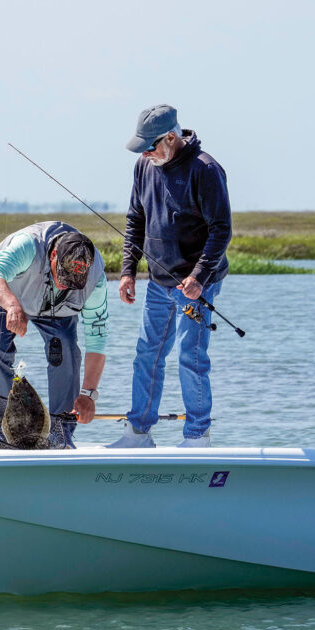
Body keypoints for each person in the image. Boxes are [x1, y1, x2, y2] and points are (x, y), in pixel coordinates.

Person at [110, 104, 232, 448]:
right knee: (147, 353)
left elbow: (221, 231)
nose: (147, 155)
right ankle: (138, 432)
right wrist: (128, 272)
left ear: (171, 137)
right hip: (158, 282)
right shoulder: (143, 167)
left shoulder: (205, 170)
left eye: (151, 147)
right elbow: (136, 220)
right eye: (142, 149)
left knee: (190, 356)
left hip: (196, 283)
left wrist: (198, 277)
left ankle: (197, 436)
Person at [0, 221, 108, 444]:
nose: (67, 286)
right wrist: (11, 305)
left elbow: (97, 341)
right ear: (53, 255)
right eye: (64, 277)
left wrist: (88, 394)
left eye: (75, 282)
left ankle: (61, 432)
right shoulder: (28, 246)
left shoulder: (96, 278)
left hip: (57, 308)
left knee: (66, 349)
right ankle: (6, 428)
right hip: (9, 293)